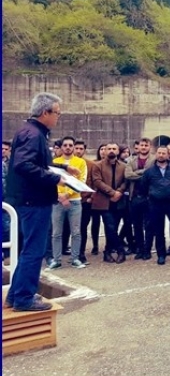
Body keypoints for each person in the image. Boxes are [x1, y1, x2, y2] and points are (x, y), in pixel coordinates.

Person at [5, 92, 76, 312]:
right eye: (57, 113)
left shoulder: (32, 131)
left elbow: (39, 163)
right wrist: (57, 178)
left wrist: (63, 168)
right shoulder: (33, 134)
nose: (58, 117)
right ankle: (24, 298)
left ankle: (16, 295)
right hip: (32, 203)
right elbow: (24, 165)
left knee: (29, 251)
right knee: (34, 251)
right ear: (45, 112)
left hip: (31, 200)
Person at [49, 136, 88, 270]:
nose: (68, 147)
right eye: (65, 145)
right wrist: (60, 195)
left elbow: (81, 180)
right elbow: (51, 180)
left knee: (76, 231)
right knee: (56, 233)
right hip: (57, 201)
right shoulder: (55, 162)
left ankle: (75, 258)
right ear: (61, 147)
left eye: (70, 145)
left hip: (75, 201)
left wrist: (68, 194)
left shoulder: (80, 162)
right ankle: (56, 259)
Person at [92, 143, 129, 264]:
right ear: (105, 151)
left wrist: (119, 192)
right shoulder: (97, 165)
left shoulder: (124, 166)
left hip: (118, 201)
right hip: (104, 201)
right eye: (109, 149)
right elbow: (97, 181)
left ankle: (107, 252)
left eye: (114, 149)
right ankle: (120, 251)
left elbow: (126, 181)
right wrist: (112, 193)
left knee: (112, 229)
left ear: (118, 151)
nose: (111, 151)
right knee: (110, 226)